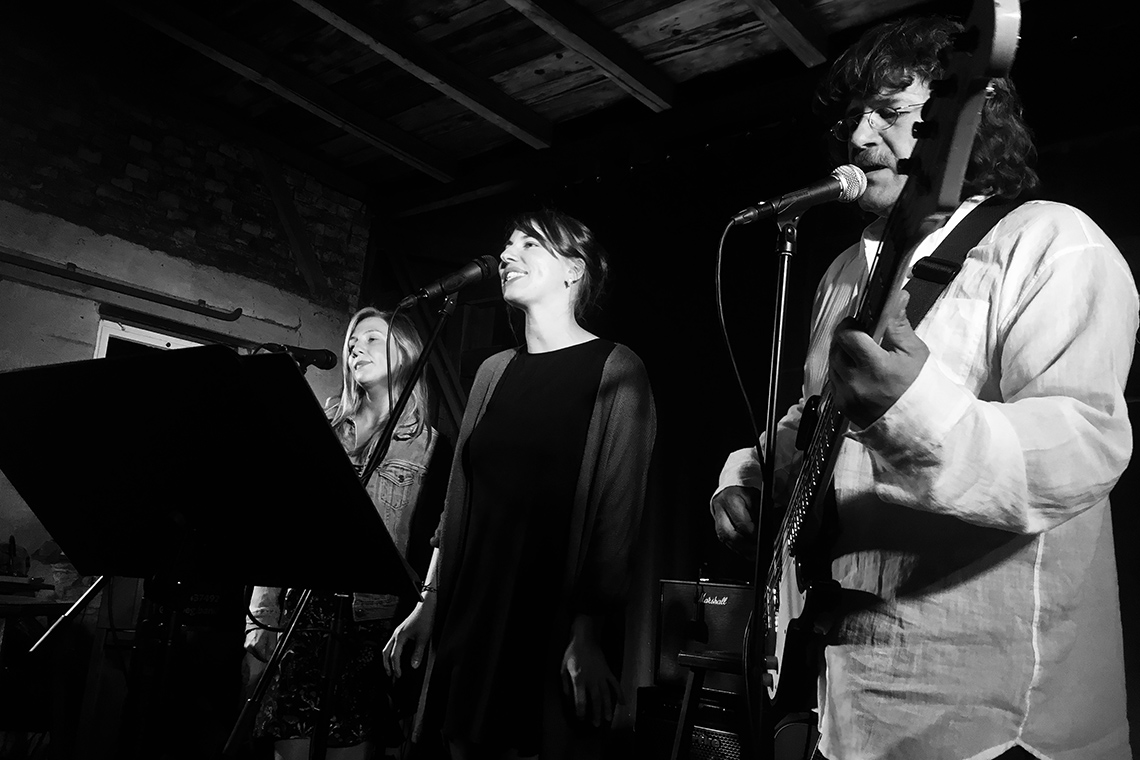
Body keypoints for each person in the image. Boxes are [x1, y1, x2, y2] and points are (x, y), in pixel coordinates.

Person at [710, 15, 1135, 760]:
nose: (859, 138)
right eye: (851, 119)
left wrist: (912, 411)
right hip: (843, 698)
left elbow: (1082, 447)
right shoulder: (845, 271)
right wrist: (746, 480)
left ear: (969, 117)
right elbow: (815, 422)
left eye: (889, 111)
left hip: (989, 709)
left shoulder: (1050, 240)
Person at [382, 208, 656, 760]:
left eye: (530, 244)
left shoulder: (617, 370)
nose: (508, 255)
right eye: (508, 246)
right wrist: (429, 602)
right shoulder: (493, 371)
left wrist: (587, 632)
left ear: (574, 270)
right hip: (472, 611)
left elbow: (616, 516)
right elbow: (456, 502)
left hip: (543, 621)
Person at [244, 307, 447, 760]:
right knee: (289, 750)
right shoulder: (322, 426)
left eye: (372, 338)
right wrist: (261, 614)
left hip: (372, 623)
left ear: (407, 352)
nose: (357, 348)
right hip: (303, 613)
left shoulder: (431, 447)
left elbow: (436, 542)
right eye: (353, 342)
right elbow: (282, 522)